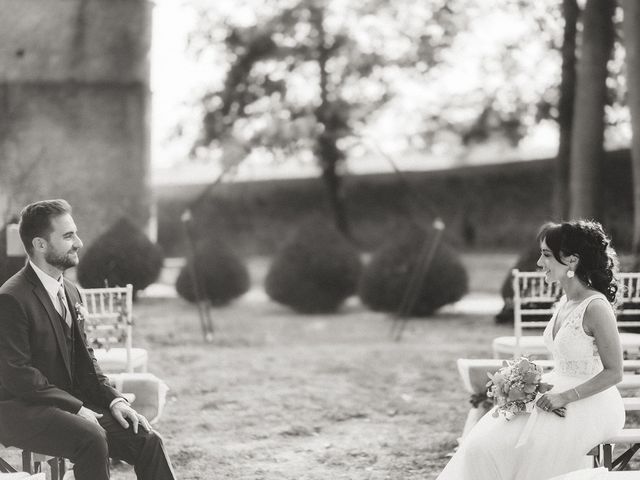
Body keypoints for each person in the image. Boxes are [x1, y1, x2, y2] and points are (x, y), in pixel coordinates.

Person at [0, 200, 177, 480]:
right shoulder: (11, 298)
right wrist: (77, 408)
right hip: (19, 411)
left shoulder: (72, 292)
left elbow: (86, 362)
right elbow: (17, 375)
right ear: (40, 244)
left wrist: (116, 402)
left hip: (67, 407)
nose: (79, 243)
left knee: (145, 437)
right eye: (68, 236)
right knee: (91, 437)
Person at [437, 220, 625, 480]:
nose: (538, 262)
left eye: (546, 255)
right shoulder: (564, 302)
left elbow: (615, 372)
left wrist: (566, 397)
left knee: (529, 451)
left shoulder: (596, 307)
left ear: (571, 260)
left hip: (589, 402)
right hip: (553, 392)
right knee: (481, 446)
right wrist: (525, 383)